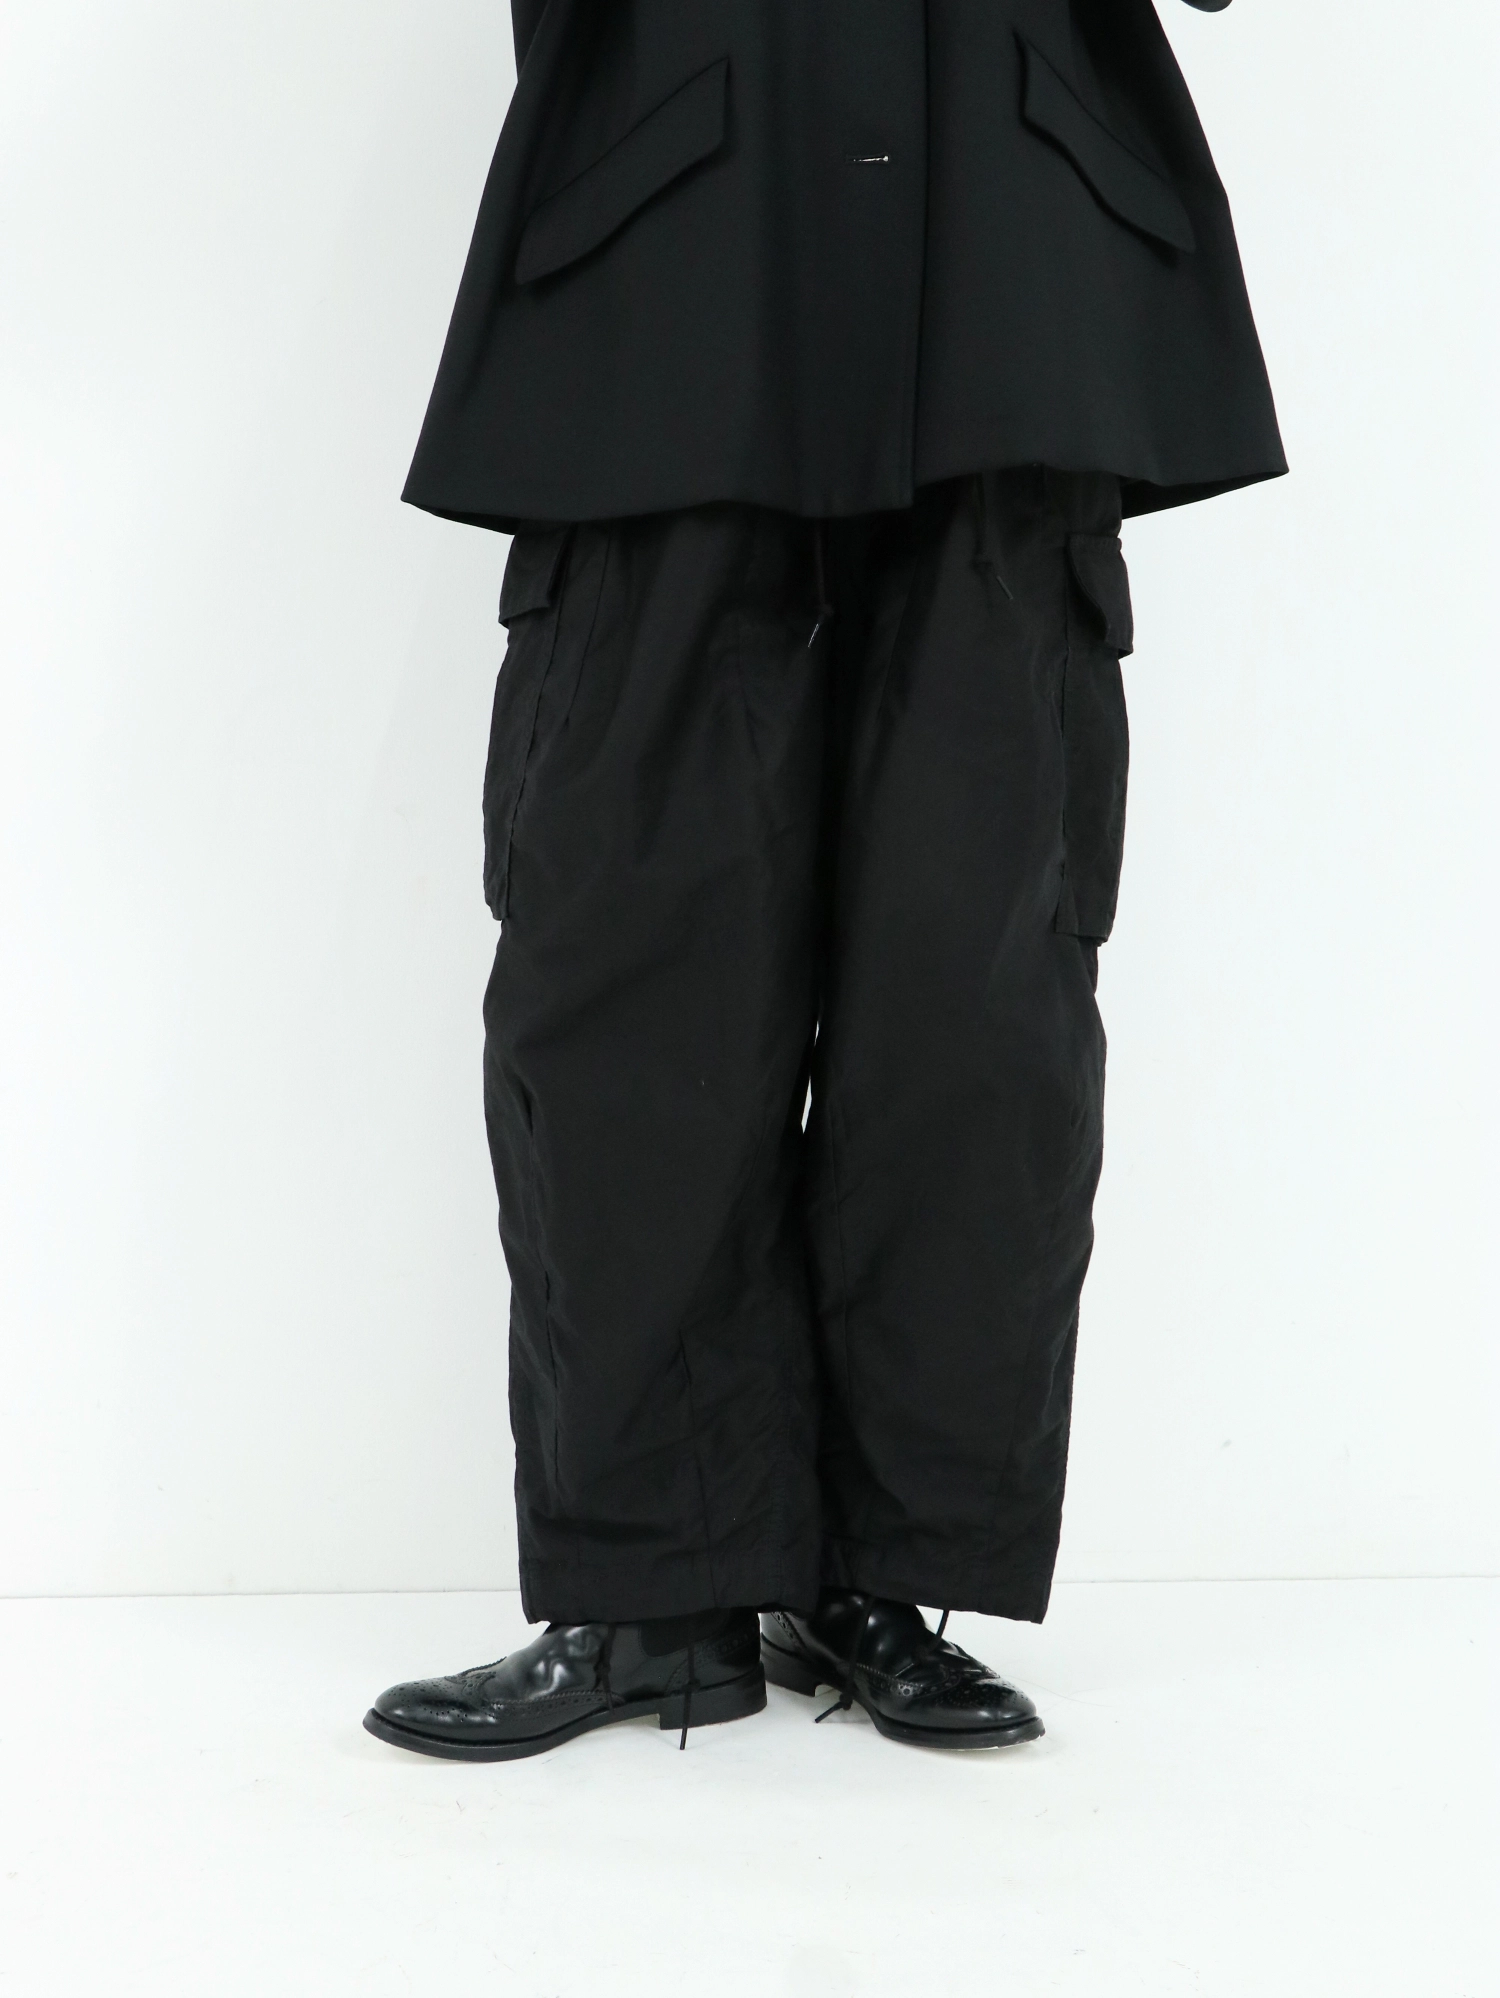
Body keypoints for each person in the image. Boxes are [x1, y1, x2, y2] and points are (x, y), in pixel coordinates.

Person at [364, 0, 1283, 1761]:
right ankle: (655, 1589)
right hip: (670, 263)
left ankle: (886, 1569)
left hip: (1009, 282)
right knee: (627, 947)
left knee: (970, 990)